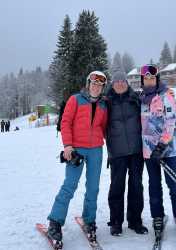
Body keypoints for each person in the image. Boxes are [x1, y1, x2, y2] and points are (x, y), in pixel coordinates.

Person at [47, 71, 108, 245]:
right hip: (77, 149)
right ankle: (55, 223)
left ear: (103, 87)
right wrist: (67, 145)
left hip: (96, 149)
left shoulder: (104, 105)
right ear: (88, 83)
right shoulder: (75, 99)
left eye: (100, 84)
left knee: (93, 187)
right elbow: (65, 122)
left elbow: (104, 128)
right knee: (69, 185)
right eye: (93, 83)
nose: (96, 86)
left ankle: (89, 221)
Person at [139, 64, 176, 238]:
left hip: (169, 149)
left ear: (157, 79)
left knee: (173, 183)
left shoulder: (166, 95)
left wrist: (162, 145)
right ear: (143, 80)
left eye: (152, 78)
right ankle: (157, 216)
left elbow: (171, 122)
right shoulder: (141, 98)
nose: (150, 80)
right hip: (149, 151)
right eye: (146, 78)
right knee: (154, 185)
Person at [105, 71, 148, 236]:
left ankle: (135, 221)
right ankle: (116, 222)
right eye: (117, 81)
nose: (120, 84)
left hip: (137, 150)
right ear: (112, 84)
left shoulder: (136, 98)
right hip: (117, 152)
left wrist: (167, 91)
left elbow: (154, 98)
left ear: (127, 83)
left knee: (136, 186)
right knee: (117, 187)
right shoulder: (107, 102)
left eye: (123, 81)